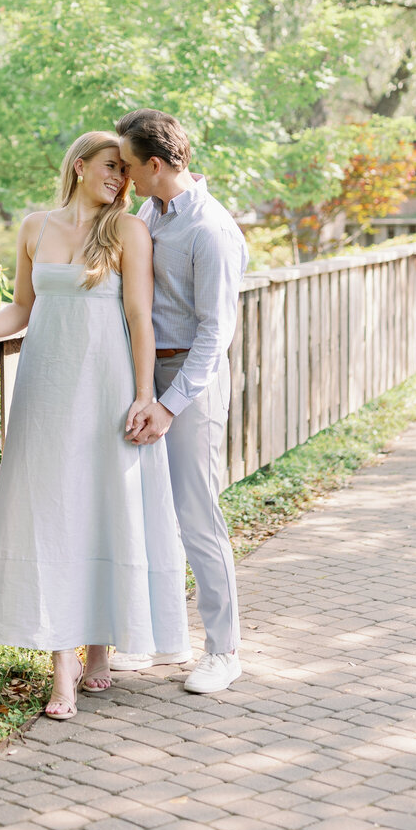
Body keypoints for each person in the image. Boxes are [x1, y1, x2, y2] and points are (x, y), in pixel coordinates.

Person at [0, 131, 187, 719]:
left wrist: (145, 395)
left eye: (125, 171)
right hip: (46, 386)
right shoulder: (34, 227)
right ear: (78, 166)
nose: (121, 179)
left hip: (106, 384)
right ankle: (62, 666)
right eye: (110, 167)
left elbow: (140, 317)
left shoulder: (127, 230)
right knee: (53, 511)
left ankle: (98, 650)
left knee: (101, 506)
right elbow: (22, 307)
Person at [113, 109, 249, 695]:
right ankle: (157, 639)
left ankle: (225, 651)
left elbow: (216, 335)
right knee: (146, 513)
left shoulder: (210, 230)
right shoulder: (150, 212)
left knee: (197, 515)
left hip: (188, 383)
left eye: (127, 164)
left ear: (156, 164)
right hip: (144, 376)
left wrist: (169, 404)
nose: (122, 175)